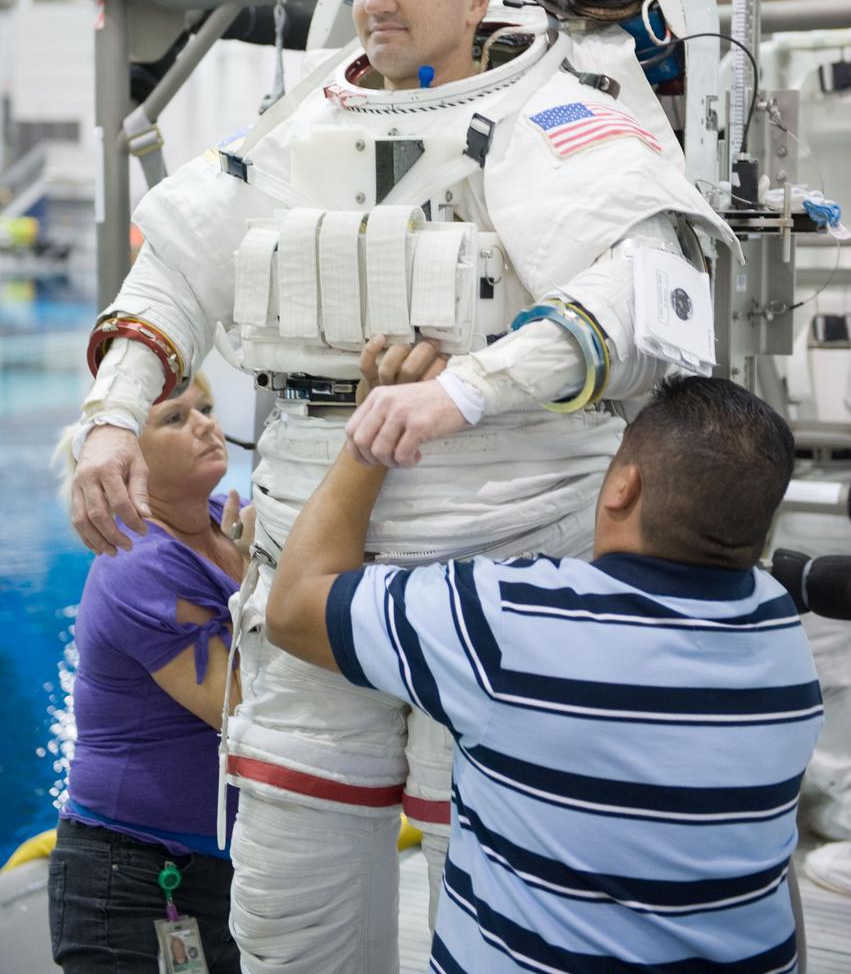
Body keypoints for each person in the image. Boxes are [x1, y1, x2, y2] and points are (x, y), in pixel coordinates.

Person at [69, 0, 741, 973]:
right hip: (309, 524)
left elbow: (634, 297)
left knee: (488, 867)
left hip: (504, 535)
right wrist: (109, 420)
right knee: (286, 885)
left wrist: (464, 389)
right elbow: (173, 272)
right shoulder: (303, 118)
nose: (373, 1)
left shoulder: (557, 109)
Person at [266, 375, 823, 973]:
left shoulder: (510, 622)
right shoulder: (779, 632)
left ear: (622, 487)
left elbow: (294, 607)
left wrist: (370, 433)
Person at [49, 376, 253, 973]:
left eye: (207, 409)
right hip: (133, 881)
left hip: (211, 871)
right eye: (174, 418)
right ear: (124, 461)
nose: (205, 425)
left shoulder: (223, 523)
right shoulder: (139, 562)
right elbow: (246, 706)